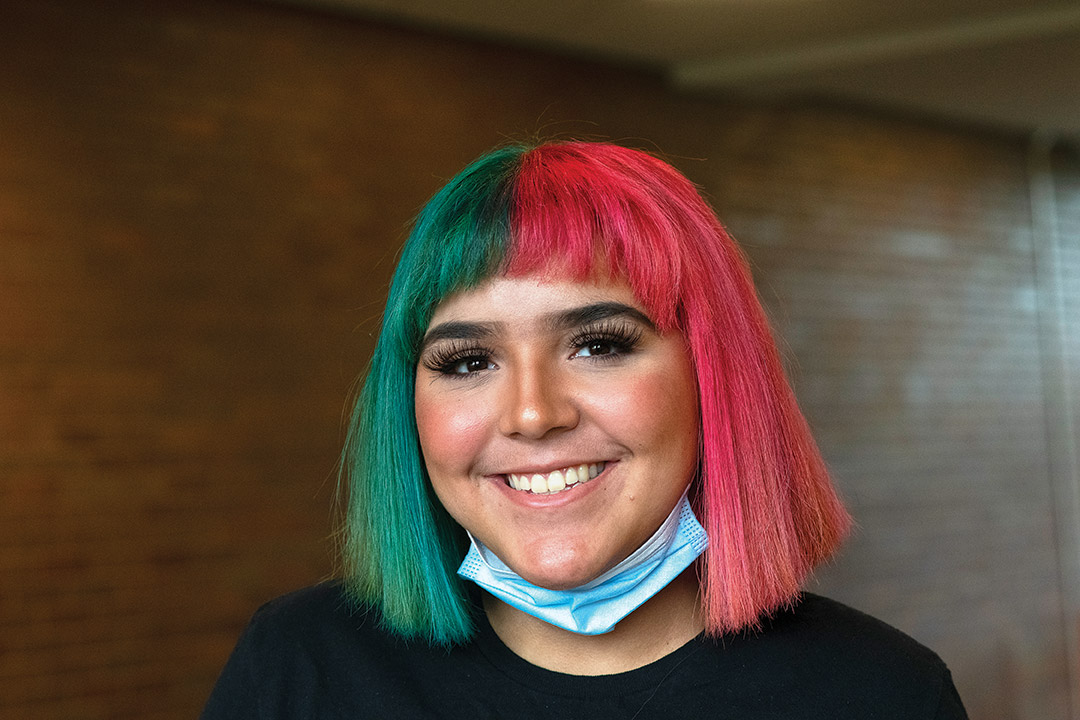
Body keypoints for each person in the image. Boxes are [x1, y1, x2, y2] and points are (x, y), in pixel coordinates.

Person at [201, 141, 968, 718]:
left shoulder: (883, 693)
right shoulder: (300, 669)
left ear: (713, 378)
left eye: (599, 345)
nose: (534, 415)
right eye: (468, 361)